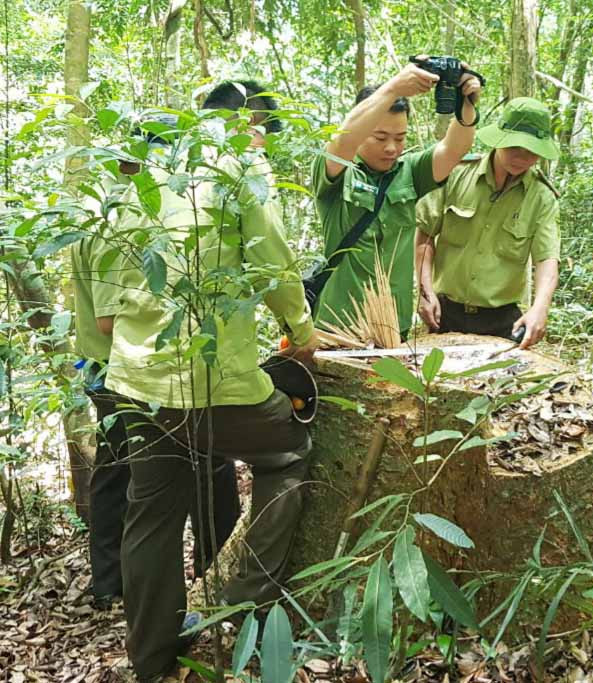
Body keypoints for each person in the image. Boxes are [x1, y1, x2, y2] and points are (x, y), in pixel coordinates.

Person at [104, 81, 317, 682]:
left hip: (137, 381)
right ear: (250, 127)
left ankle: (151, 664)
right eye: (263, 134)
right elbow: (273, 261)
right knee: (290, 449)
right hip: (213, 383)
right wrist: (301, 328)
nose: (263, 145)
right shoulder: (242, 166)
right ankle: (240, 596)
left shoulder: (146, 175)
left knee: (150, 516)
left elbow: (114, 290)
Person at [71, 134, 240, 610]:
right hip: (124, 373)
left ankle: (119, 582)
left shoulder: (124, 213)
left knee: (120, 474)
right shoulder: (114, 222)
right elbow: (111, 320)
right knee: (183, 472)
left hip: (124, 369)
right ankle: (147, 583)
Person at [311, 57, 482, 339]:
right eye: (379, 138)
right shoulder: (337, 171)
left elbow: (454, 149)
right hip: (338, 327)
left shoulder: (411, 171)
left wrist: (467, 103)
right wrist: (393, 88)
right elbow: (343, 141)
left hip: (392, 328)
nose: (391, 148)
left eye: (400, 138)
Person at [414, 97, 560, 347]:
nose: (523, 157)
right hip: (445, 313)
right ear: (499, 139)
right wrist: (425, 292)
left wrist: (540, 308)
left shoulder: (542, 197)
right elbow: (424, 238)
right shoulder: (457, 174)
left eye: (532, 151)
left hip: (503, 322)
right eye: (515, 147)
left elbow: (546, 260)